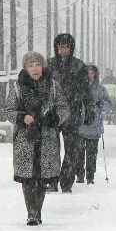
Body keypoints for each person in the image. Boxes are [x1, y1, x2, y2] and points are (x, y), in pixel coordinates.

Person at [3, 51, 69, 226]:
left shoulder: (53, 86)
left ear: (43, 66)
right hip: (25, 138)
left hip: (47, 138)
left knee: (42, 178)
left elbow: (64, 108)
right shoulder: (18, 87)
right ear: (25, 68)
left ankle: (37, 210)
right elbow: (9, 110)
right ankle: (31, 213)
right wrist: (22, 117)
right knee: (28, 178)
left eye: (38, 64)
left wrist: (54, 118)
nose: (35, 68)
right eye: (31, 65)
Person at [46, 33, 93, 192]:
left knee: (72, 150)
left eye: (66, 47)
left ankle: (66, 182)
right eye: (61, 47)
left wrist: (89, 110)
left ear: (71, 48)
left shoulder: (79, 66)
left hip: (73, 112)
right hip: (52, 113)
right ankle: (52, 182)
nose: (63, 50)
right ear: (56, 48)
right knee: (51, 149)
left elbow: (86, 90)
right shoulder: (49, 65)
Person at [78, 65, 113, 183]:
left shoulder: (101, 89)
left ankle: (90, 176)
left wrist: (101, 104)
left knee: (92, 153)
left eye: (92, 73)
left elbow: (109, 105)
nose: (90, 75)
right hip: (80, 124)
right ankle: (80, 174)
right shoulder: (79, 88)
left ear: (95, 74)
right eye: (88, 73)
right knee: (79, 152)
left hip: (95, 124)